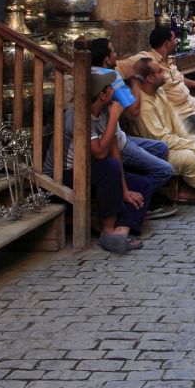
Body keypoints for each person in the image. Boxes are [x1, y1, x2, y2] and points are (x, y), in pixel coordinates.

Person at [44, 70, 155, 254]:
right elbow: (101, 153)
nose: (113, 89)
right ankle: (109, 229)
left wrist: (125, 190)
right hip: (63, 174)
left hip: (90, 170)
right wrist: (114, 118)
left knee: (142, 184)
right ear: (102, 95)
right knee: (108, 168)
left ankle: (121, 231)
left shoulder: (104, 111)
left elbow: (114, 153)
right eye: (109, 87)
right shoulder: (78, 116)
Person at [129, 58, 195, 205]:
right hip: (156, 150)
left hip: (170, 140)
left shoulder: (159, 91)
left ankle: (191, 187)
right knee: (190, 157)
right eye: (159, 71)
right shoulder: (144, 104)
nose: (164, 73)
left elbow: (175, 123)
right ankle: (193, 190)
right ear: (150, 78)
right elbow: (161, 140)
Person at [119, 26, 195, 144]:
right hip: (181, 113)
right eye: (174, 39)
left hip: (192, 103)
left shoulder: (169, 60)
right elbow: (118, 67)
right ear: (167, 43)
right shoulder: (147, 58)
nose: (176, 42)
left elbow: (177, 78)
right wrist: (134, 81)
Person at [88, 37, 175, 194]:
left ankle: (140, 189)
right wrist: (136, 81)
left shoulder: (91, 72)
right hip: (116, 142)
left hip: (117, 137)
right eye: (113, 51)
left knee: (161, 148)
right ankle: (137, 198)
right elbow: (134, 111)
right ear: (107, 59)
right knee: (165, 171)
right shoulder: (110, 76)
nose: (117, 54)